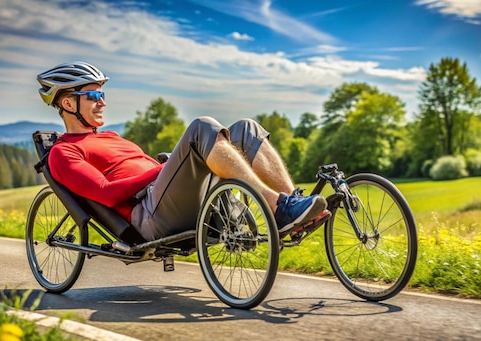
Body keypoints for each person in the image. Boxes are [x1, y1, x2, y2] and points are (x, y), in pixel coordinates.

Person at [36, 61, 327, 243]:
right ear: (68, 104)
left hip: (166, 197)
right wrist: (162, 170)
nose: (102, 102)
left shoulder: (111, 136)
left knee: (245, 129)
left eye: (103, 95)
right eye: (94, 95)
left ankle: (294, 209)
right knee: (201, 126)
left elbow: (148, 170)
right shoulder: (63, 153)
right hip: (150, 216)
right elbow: (107, 192)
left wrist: (165, 167)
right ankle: (278, 207)